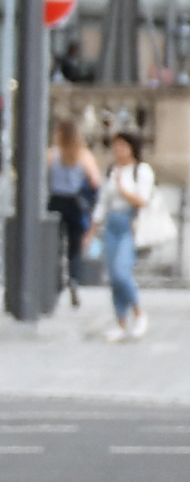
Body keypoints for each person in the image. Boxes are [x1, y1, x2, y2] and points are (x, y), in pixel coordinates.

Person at [90, 128, 155, 341]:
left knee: (121, 271)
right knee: (113, 276)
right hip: (112, 224)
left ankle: (138, 312)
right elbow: (102, 202)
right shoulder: (111, 170)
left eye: (122, 146)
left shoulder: (141, 171)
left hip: (130, 223)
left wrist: (122, 187)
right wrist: (92, 230)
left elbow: (141, 200)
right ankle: (120, 321)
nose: (118, 150)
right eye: (115, 146)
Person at [49, 117, 102, 308]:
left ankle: (55, 280)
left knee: (55, 245)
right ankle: (74, 279)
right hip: (75, 203)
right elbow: (95, 181)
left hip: (55, 201)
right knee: (75, 247)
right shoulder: (83, 155)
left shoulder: (53, 154)